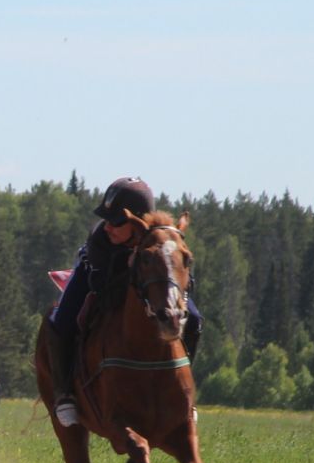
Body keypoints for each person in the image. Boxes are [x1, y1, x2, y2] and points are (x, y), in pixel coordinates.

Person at [47, 177, 201, 427]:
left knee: (193, 319)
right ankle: (64, 393)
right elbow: (103, 291)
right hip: (95, 276)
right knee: (60, 321)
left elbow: (176, 273)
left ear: (137, 223)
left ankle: (182, 391)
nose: (107, 227)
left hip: (153, 291)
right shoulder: (100, 242)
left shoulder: (161, 240)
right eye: (105, 219)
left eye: (116, 222)